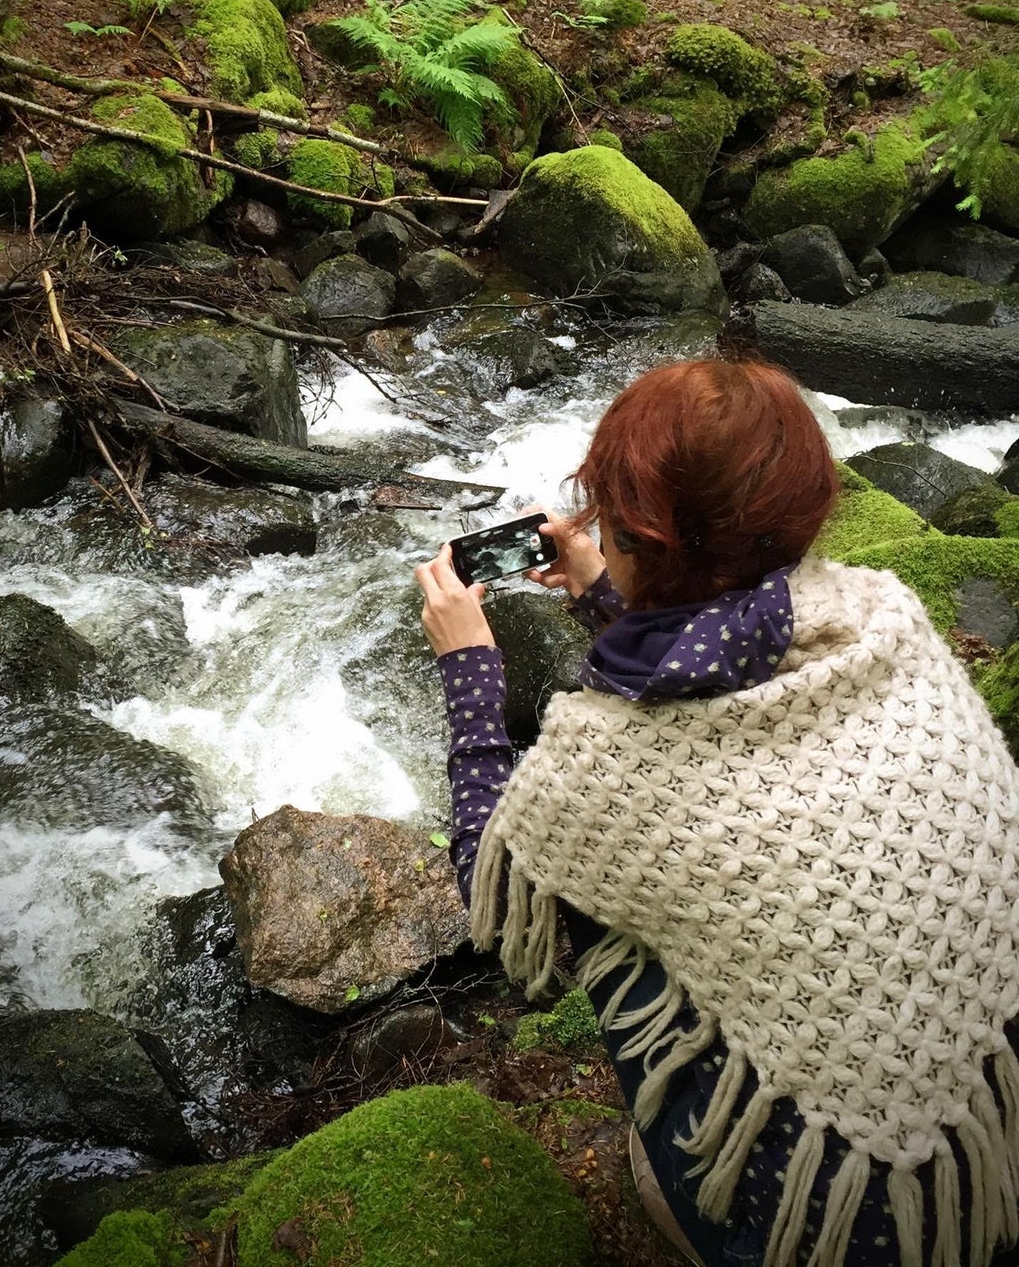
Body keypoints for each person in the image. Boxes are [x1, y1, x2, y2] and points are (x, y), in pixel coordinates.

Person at [413, 358, 1019, 1267]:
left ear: (631, 532)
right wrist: (608, 596)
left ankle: (716, 1207)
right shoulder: (880, 619)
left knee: (605, 933)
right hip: (988, 1109)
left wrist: (469, 671)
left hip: (834, 1214)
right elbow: (728, 661)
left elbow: (497, 889)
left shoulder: (612, 759)